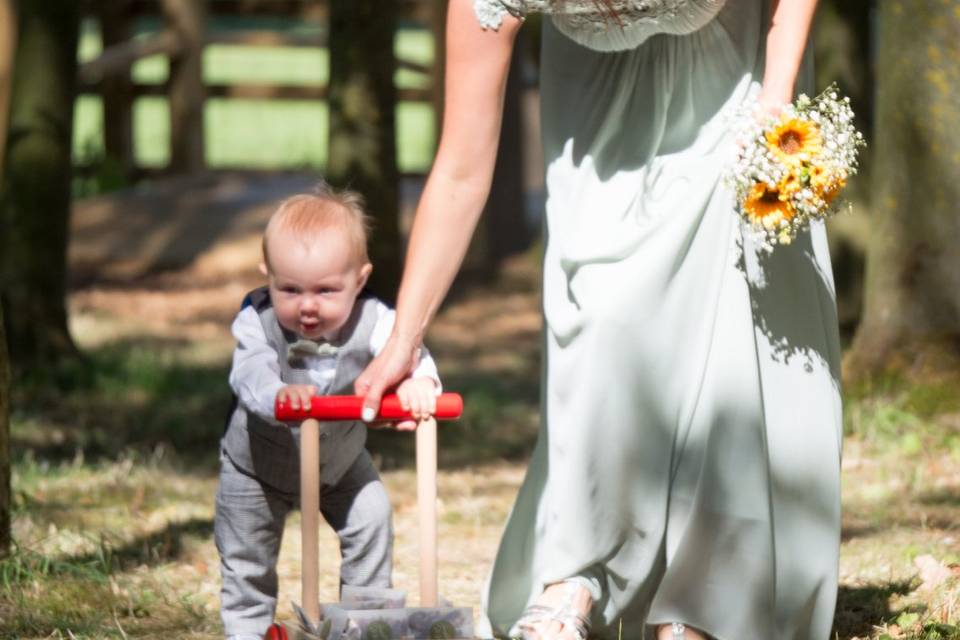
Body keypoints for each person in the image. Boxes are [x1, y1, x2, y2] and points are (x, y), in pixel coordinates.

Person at [356, 0, 841, 638]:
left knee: (729, 323)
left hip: (735, 70)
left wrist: (775, 108)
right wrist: (404, 334)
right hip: (595, 104)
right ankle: (576, 573)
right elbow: (462, 168)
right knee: (600, 317)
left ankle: (706, 606)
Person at [215, 185, 441, 640]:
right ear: (268, 276)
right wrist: (278, 393)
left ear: (359, 280)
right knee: (246, 555)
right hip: (257, 462)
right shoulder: (255, 321)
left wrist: (420, 382)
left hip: (339, 461)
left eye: (326, 290)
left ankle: (363, 621)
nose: (308, 305)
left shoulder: (376, 319)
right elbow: (250, 373)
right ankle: (247, 631)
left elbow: (407, 350)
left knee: (372, 517)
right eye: (290, 289)